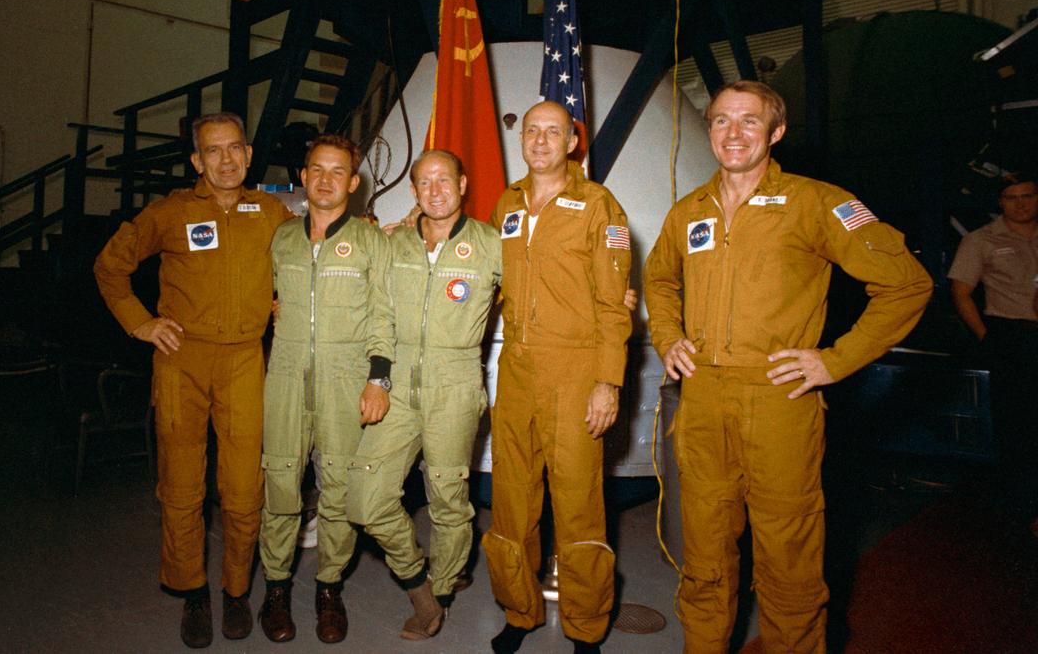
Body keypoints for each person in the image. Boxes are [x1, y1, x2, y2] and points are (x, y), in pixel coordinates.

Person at [643, 80, 933, 653]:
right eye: (722, 120)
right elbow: (658, 278)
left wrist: (834, 361)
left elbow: (907, 285)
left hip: (779, 403)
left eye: (750, 121)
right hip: (701, 402)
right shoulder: (688, 212)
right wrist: (669, 336)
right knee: (703, 559)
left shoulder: (818, 202)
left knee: (788, 562)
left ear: (776, 133)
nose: (733, 133)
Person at [93, 112, 292, 649]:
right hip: (182, 359)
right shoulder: (171, 212)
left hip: (246, 361)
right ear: (197, 160)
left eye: (235, 149)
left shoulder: (270, 211)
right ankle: (193, 592)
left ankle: (234, 591)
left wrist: (281, 305)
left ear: (249, 155)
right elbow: (110, 267)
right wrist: (141, 322)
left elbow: (303, 263)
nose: (225, 160)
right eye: (213, 151)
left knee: (244, 486)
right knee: (182, 486)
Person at [483, 101, 632, 654]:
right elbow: (489, 280)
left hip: (575, 371)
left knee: (578, 503)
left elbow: (614, 305)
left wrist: (607, 382)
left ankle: (586, 624)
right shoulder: (507, 203)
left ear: (573, 142)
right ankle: (519, 611)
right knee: (512, 500)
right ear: (521, 140)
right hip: (517, 370)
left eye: (554, 132)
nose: (541, 141)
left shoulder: (599, 207)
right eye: (532, 131)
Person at [345, 149, 502, 640]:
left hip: (454, 385)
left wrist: (608, 294)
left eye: (444, 180)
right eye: (424, 182)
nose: (434, 190)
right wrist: (378, 378)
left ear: (463, 185)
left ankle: (445, 588)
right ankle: (419, 584)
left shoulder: (492, 245)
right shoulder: (396, 246)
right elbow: (380, 316)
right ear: (413, 191)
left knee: (448, 499)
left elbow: (538, 291)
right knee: (364, 499)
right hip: (396, 383)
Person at [257, 134, 395, 644]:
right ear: (304, 175)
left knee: (338, 487)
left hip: (345, 380)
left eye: (338, 171)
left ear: (353, 183)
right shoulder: (281, 238)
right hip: (287, 376)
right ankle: (275, 588)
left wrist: (377, 380)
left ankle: (328, 587)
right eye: (317, 168)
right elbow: (261, 297)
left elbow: (385, 316)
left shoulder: (369, 241)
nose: (326, 179)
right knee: (280, 482)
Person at [948, 172, 1038, 532]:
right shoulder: (981, 240)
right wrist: (988, 338)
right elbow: (961, 293)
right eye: (1012, 198)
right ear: (1000, 202)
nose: (1021, 204)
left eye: (1028, 196)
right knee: (1020, 427)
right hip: (1011, 337)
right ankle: (1028, 510)